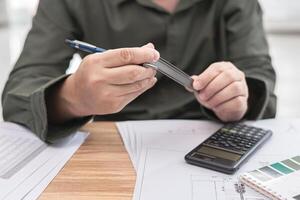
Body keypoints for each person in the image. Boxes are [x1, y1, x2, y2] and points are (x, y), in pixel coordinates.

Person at [2, 0, 276, 142]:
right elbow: (18, 95)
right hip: (111, 151)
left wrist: (238, 99)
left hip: (213, 145)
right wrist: (72, 97)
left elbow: (258, 75)